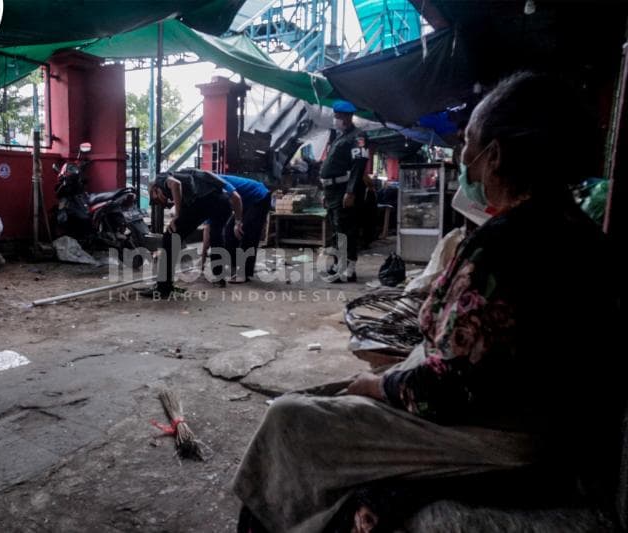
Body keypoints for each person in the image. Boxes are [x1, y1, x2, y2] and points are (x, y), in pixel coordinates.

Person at [233, 72, 622, 532]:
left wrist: (378, 385)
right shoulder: (579, 231)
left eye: (470, 144)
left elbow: (446, 390)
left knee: (290, 418)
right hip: (527, 417)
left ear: (494, 156)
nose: (465, 161)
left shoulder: (506, 246)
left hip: (504, 434)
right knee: (324, 397)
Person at [144, 169, 243, 298]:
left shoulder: (160, 179)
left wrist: (178, 216)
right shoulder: (188, 181)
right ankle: (219, 277)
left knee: (170, 237)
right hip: (223, 202)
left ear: (155, 189)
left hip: (206, 200)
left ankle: (163, 288)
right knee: (216, 235)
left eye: (156, 199)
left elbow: (175, 184)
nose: (161, 202)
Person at [320, 100, 371, 281]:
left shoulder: (358, 136)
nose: (336, 120)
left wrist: (350, 192)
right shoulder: (340, 137)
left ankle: (349, 268)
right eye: (335, 116)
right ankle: (338, 264)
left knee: (346, 229)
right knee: (336, 229)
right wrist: (324, 192)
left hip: (344, 189)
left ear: (347, 117)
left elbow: (359, 166)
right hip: (332, 190)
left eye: (338, 117)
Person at [200, 174, 271, 282]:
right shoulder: (207, 198)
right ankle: (234, 268)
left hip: (259, 197)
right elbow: (207, 230)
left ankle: (244, 274)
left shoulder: (216, 183)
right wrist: (203, 260)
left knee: (246, 233)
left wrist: (238, 222)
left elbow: (236, 198)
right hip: (245, 201)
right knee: (229, 232)